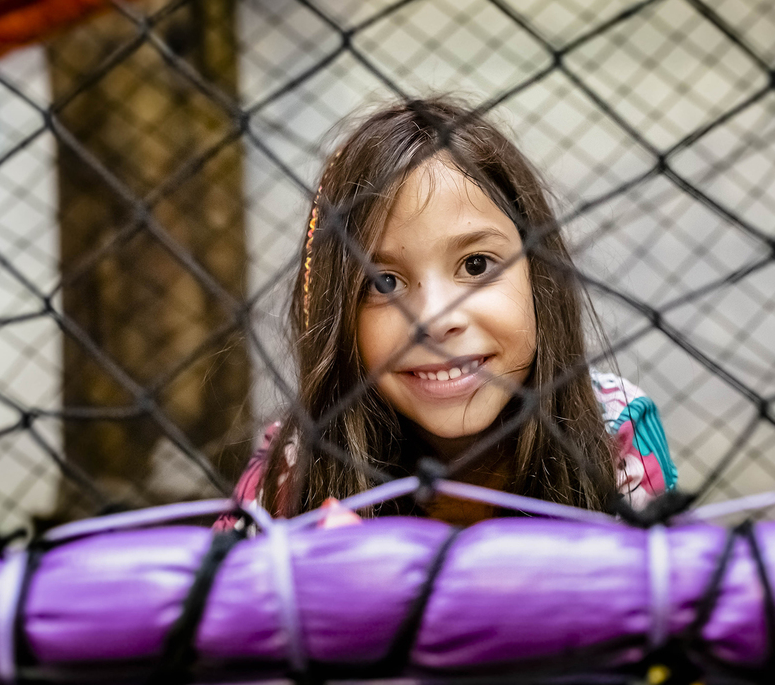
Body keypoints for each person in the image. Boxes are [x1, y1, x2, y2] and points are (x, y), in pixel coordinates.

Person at [217, 96, 679, 528]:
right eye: (383, 283)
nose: (435, 320)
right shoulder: (292, 463)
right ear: (340, 315)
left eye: (476, 265)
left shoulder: (613, 430)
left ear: (539, 276)